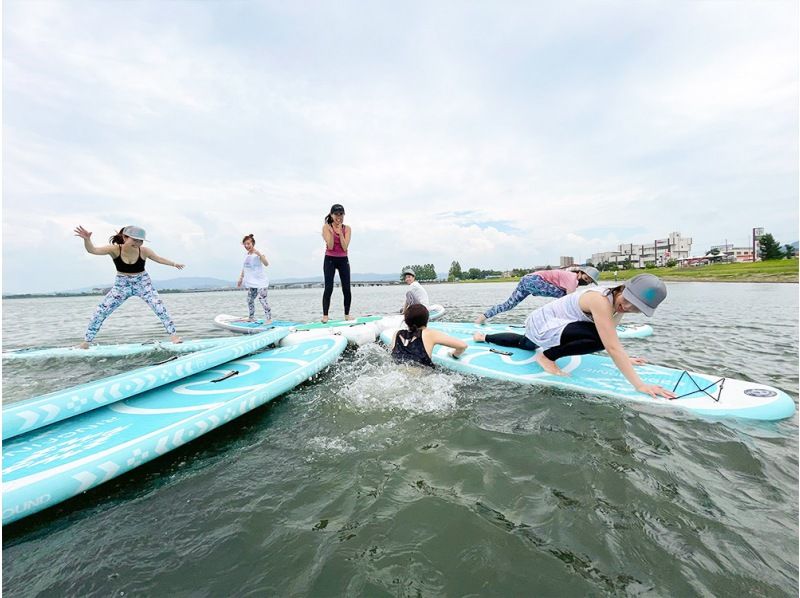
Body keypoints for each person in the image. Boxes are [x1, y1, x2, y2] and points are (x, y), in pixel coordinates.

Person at [472, 274, 676, 398]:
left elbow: (610, 334)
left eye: (636, 308)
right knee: (596, 339)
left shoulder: (617, 302)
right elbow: (610, 344)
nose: (628, 307)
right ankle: (548, 356)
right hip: (546, 323)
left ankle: (484, 337)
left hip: (547, 323)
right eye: (628, 300)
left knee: (524, 343)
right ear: (622, 288)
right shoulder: (600, 300)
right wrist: (639, 385)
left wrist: (625, 358)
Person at [74, 225, 184, 348]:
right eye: (134, 239)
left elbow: (158, 259)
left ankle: (174, 337)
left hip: (142, 283)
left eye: (140, 240)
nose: (137, 243)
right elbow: (92, 250)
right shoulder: (114, 249)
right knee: (101, 311)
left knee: (159, 308)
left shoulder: (145, 251)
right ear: (125, 237)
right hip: (122, 285)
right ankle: (86, 343)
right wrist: (87, 239)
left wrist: (174, 264)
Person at [475, 266, 600, 325]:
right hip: (534, 281)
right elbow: (570, 302)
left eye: (589, 281)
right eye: (587, 277)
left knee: (509, 305)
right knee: (566, 298)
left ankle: (482, 317)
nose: (587, 281)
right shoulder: (573, 279)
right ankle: (555, 322)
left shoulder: (570, 278)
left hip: (527, 280)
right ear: (581, 273)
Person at [390, 304, 467, 367]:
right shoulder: (429, 334)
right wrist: (454, 354)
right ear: (426, 320)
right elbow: (462, 345)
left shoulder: (397, 334)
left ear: (406, 320)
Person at [321, 203, 352, 323]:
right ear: (331, 215)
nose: (339, 217)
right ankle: (325, 316)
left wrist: (340, 233)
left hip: (343, 259)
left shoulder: (347, 228)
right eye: (336, 214)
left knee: (346, 288)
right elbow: (331, 245)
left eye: (341, 214)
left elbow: (345, 247)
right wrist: (333, 232)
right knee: (329, 287)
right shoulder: (326, 227)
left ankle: (347, 315)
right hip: (330, 259)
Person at [237, 234, 271, 323]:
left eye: (248, 244)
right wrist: (241, 278)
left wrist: (259, 254)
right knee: (249, 300)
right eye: (245, 244)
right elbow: (245, 267)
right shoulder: (246, 254)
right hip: (252, 282)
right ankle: (251, 317)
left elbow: (266, 264)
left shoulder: (258, 254)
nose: (247, 246)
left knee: (262, 299)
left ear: (253, 243)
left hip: (261, 282)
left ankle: (269, 319)